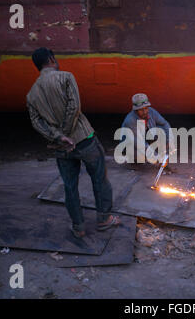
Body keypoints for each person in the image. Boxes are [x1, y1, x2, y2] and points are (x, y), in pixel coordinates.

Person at [26, 47, 119, 239]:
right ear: (52, 59)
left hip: (61, 148)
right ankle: (104, 219)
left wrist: (58, 137)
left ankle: (78, 227)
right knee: (99, 178)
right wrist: (67, 133)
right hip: (84, 139)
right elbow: (74, 106)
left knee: (70, 186)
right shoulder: (66, 77)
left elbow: (37, 123)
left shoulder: (31, 94)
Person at [121, 93, 174, 168]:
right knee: (141, 155)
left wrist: (169, 140)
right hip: (132, 144)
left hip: (144, 139)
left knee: (161, 130)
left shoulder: (151, 111)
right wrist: (156, 157)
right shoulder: (130, 121)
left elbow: (164, 124)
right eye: (141, 110)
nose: (145, 112)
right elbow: (140, 144)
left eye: (146, 108)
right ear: (136, 110)